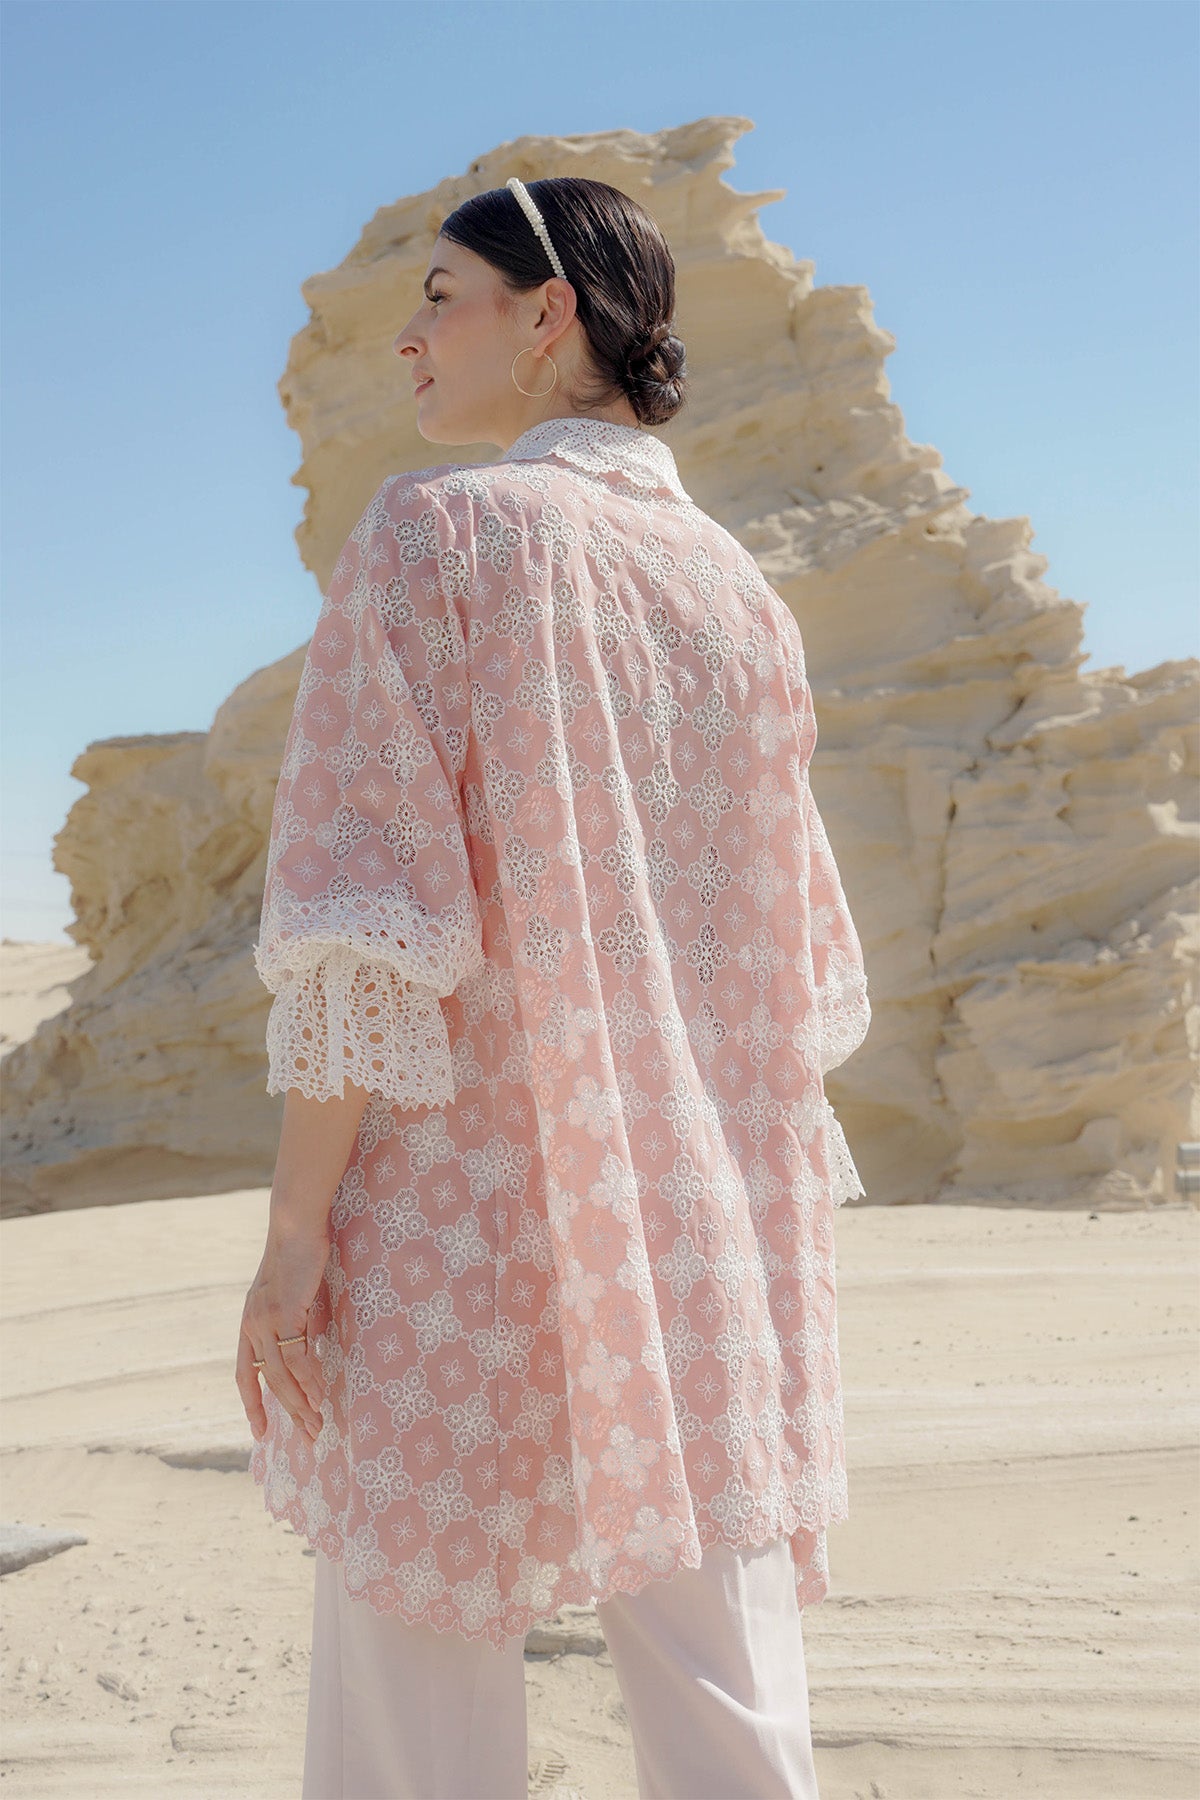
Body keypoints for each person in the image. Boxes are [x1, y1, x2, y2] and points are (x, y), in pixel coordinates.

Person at [235, 174, 871, 1799]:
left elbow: (369, 929)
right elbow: (792, 967)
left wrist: (296, 1235)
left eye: (441, 296)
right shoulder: (741, 599)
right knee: (726, 1678)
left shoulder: (439, 538)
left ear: (549, 313)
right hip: (699, 1221)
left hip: (466, 1214)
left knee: (412, 1679)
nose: (407, 337)